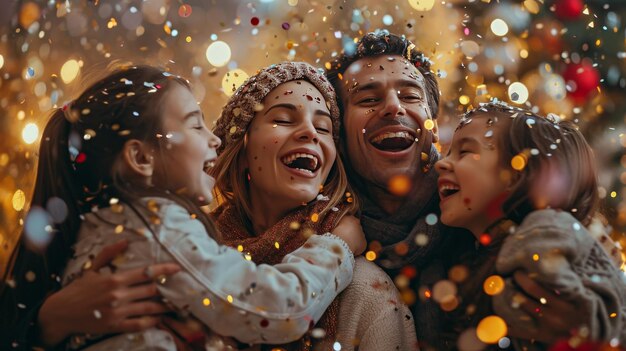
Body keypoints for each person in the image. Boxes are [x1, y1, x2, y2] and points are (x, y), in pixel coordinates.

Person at [1, 65, 360, 350]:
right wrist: (335, 248)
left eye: (324, 127)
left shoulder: (111, 224)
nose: (214, 138)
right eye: (195, 124)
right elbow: (279, 311)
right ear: (141, 158)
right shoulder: (161, 228)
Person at [325, 30, 619, 349]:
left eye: (410, 96)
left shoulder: (511, 216)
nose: (393, 107)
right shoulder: (320, 234)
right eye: (368, 99)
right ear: (337, 132)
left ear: (432, 124)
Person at [212, 61, 417, 350]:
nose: (310, 132)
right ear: (241, 146)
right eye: (283, 119)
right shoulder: (195, 253)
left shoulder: (365, 289)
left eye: (323, 127)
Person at [435, 101, 626, 349]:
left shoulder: (545, 235)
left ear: (516, 174)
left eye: (465, 152)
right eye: (448, 151)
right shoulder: (476, 252)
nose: (441, 163)